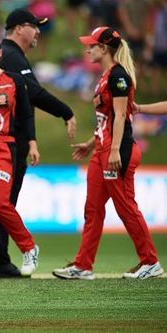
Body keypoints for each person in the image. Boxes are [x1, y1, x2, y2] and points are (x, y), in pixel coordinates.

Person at [53, 27, 164, 280]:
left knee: (125, 207)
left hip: (117, 151)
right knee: (92, 209)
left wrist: (114, 150)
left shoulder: (118, 76)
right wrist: (91, 145)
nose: (87, 49)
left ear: (104, 48)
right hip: (102, 150)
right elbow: (107, 119)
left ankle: (150, 262)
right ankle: (83, 266)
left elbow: (122, 116)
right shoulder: (106, 76)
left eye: (92, 45)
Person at [0, 8, 77, 278]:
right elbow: (34, 94)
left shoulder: (13, 56)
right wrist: (65, 110)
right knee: (1, 202)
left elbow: (26, 103)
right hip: (5, 144)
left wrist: (34, 139)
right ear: (18, 28)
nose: (38, 31)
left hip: (4, 143)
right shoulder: (12, 56)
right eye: (34, 25)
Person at [0, 33, 40, 280]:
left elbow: (25, 116)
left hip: (4, 147)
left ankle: (28, 246)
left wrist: (32, 144)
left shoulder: (13, 81)